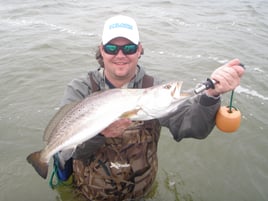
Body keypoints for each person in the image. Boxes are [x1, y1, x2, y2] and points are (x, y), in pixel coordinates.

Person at [52, 15, 245, 201]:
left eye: (128, 48)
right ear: (102, 50)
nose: (120, 55)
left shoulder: (154, 87)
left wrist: (211, 96)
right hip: (89, 195)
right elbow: (69, 152)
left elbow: (192, 127)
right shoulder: (80, 89)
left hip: (141, 193)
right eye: (112, 48)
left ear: (139, 50)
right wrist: (100, 134)